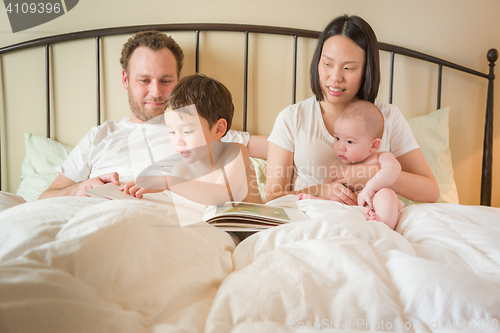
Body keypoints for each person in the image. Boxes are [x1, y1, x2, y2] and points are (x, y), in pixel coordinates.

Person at [39, 30, 268, 200]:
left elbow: (283, 147)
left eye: (166, 81)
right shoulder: (100, 136)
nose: (156, 92)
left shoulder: (205, 130)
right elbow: (44, 198)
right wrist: (78, 188)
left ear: (178, 80)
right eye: (144, 80)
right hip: (92, 213)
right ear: (126, 80)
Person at [265, 15, 439, 205]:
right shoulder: (292, 118)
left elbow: (430, 191)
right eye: (327, 64)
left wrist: (377, 174)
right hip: (310, 221)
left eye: (348, 68)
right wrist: (320, 191)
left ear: (366, 70)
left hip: (370, 221)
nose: (335, 77)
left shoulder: (388, 117)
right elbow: (272, 198)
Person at [122, 74, 262, 206]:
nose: (178, 141)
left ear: (218, 129)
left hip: (255, 227)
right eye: (172, 132)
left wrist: (167, 182)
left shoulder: (234, 153)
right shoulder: (180, 169)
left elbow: (220, 195)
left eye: (187, 131)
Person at [299, 100, 402, 229]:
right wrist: (320, 197)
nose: (341, 147)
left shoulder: (380, 157)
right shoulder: (336, 166)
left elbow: (394, 169)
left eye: (349, 141)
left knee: (387, 194)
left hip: (376, 206)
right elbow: (329, 191)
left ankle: (383, 224)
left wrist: (370, 187)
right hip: (354, 210)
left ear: (373, 145)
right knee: (336, 198)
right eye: (337, 138)